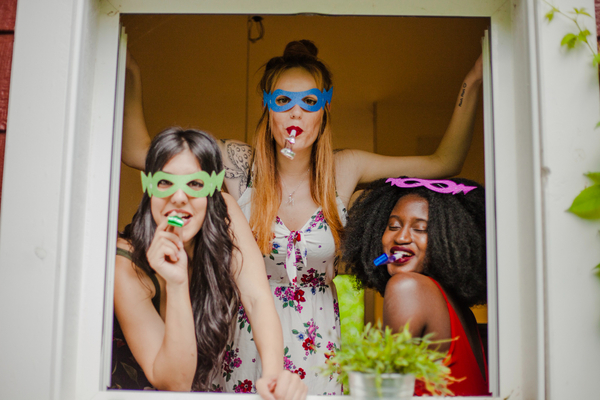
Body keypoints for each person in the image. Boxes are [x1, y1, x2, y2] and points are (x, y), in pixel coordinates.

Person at [121, 40, 483, 395]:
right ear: (268, 107)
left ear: (324, 109)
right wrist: (130, 75)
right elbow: (140, 151)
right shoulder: (237, 164)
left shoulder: (345, 169)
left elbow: (443, 164)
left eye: (309, 102)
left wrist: (472, 82)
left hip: (321, 339)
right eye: (283, 100)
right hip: (246, 340)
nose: (296, 113)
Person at [111, 127, 307, 399]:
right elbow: (173, 383)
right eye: (165, 182)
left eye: (195, 184)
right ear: (149, 186)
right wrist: (178, 283)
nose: (179, 197)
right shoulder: (127, 264)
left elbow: (256, 299)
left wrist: (273, 376)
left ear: (213, 188)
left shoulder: (224, 212)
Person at [342, 176, 489, 396]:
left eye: (420, 229)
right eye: (393, 226)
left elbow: (386, 393)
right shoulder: (459, 310)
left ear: (449, 239)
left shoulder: (406, 287)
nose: (401, 237)